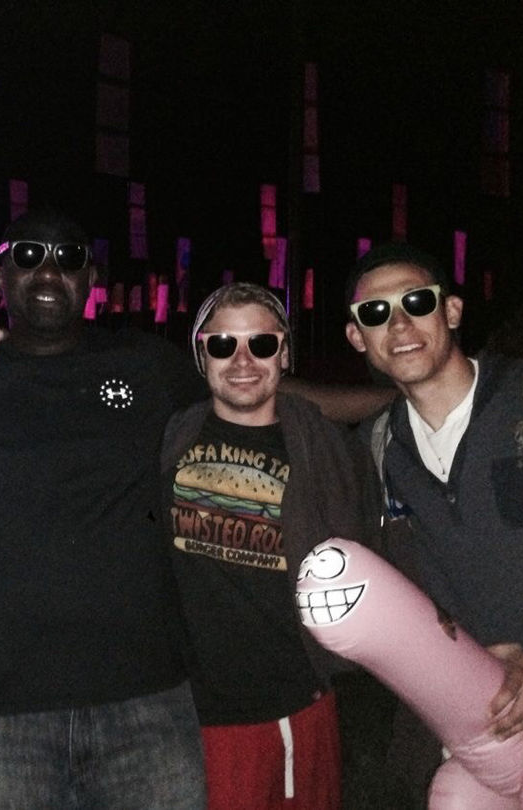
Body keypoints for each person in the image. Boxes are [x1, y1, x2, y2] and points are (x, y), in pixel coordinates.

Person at [0, 209, 208, 808]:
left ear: (92, 278)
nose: (49, 271)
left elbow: (257, 397)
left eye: (68, 257)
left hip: (146, 697)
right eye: (29, 256)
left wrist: (392, 397)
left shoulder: (147, 364)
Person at [344, 242, 523, 801]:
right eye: (375, 312)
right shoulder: (378, 450)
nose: (399, 324)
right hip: (494, 741)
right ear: (357, 337)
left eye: (417, 301)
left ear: (451, 311)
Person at [159, 282, 380, 809]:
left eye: (260, 344)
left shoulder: (330, 450)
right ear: (202, 354)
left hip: (296, 703)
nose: (242, 361)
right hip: (194, 711)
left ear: (283, 352)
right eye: (223, 345)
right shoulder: (168, 436)